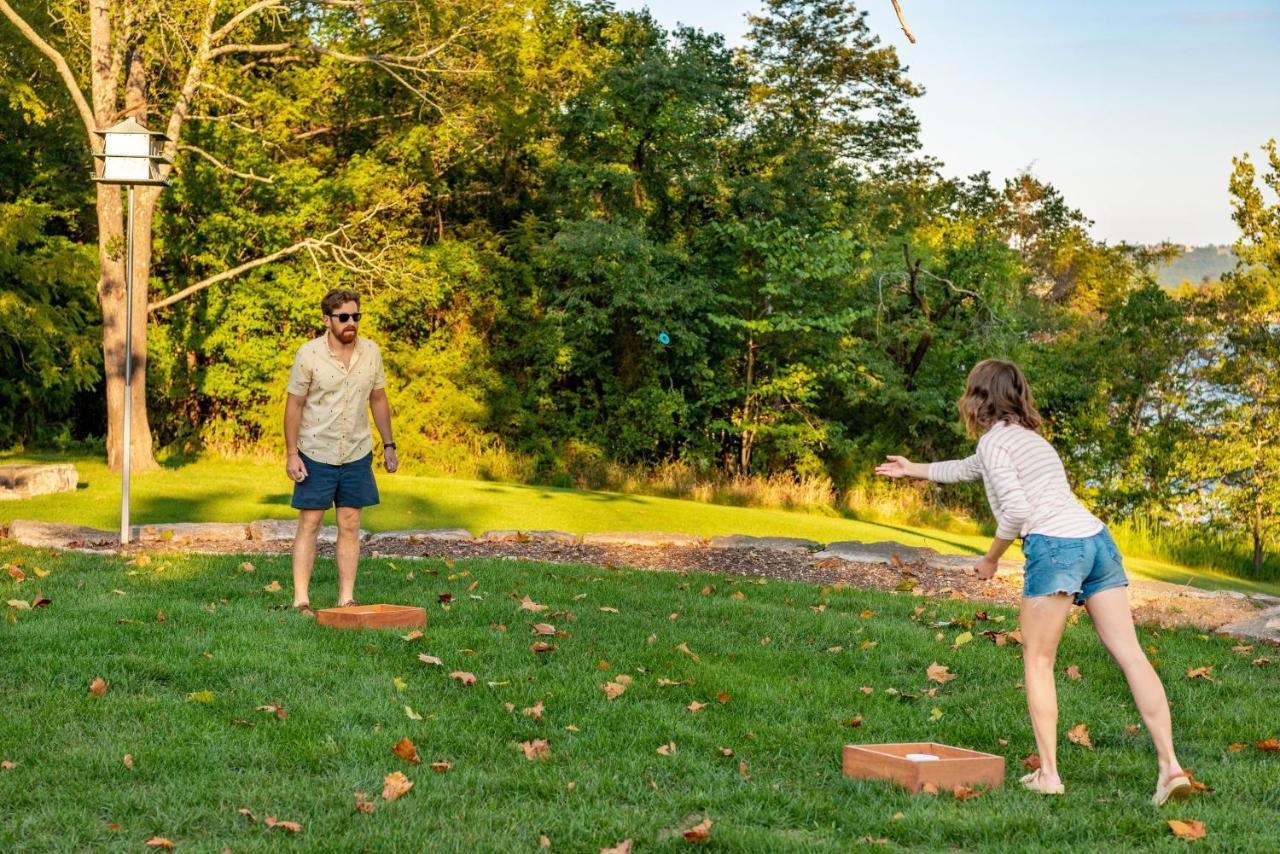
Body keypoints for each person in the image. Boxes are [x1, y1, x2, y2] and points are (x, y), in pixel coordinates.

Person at [875, 359, 1190, 805]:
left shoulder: (994, 444)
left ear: (978, 396)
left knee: (1039, 662)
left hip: (1056, 546)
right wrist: (916, 469)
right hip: (1096, 541)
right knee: (1131, 656)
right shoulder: (1031, 442)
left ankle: (1049, 774)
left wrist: (990, 559)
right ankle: (1170, 769)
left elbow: (1018, 513)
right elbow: (969, 467)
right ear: (1016, 395)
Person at [283, 288, 398, 617]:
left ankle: (346, 598)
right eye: (343, 317)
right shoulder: (309, 354)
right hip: (316, 451)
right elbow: (295, 405)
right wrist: (292, 453)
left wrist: (388, 444)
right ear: (327, 319)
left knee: (350, 523)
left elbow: (378, 399)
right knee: (310, 523)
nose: (351, 323)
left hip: (357, 451)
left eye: (355, 317)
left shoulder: (371, 353)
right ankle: (301, 600)